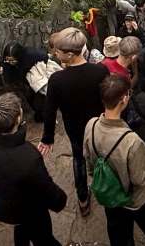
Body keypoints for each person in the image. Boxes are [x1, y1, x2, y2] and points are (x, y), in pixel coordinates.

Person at [83, 74, 145, 246]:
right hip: (136, 199)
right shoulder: (131, 141)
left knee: (119, 235)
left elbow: (89, 162)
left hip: (110, 193)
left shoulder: (91, 125)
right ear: (124, 99)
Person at [0, 93, 66, 246]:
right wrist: (60, 200)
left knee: (22, 229)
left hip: (4, 205)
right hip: (30, 210)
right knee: (44, 239)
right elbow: (46, 188)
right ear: (17, 119)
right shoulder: (28, 158)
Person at [40, 27, 108, 218]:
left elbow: (49, 110)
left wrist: (48, 138)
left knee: (79, 159)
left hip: (75, 128)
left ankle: (83, 198)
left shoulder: (57, 80)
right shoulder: (100, 70)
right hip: (98, 125)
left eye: (58, 51)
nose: (55, 53)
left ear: (69, 54)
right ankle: (106, 185)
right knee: (103, 154)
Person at [0, 41, 50, 122]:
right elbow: (6, 81)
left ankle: (41, 115)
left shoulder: (31, 54)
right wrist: (0, 74)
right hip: (21, 83)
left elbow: (44, 56)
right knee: (30, 99)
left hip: (34, 79)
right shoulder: (5, 62)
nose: (10, 63)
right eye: (8, 60)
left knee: (39, 102)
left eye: (13, 60)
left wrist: (36, 71)